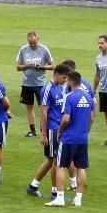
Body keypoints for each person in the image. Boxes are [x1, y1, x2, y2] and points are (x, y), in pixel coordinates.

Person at [44, 71, 95, 207]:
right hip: (83, 138)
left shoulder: (69, 97)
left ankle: (59, 198)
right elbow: (91, 118)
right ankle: (78, 199)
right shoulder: (88, 97)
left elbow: (66, 118)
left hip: (68, 138)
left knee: (60, 166)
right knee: (81, 167)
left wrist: (60, 131)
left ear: (71, 82)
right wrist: (85, 132)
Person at [26, 63, 70, 198]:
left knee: (52, 160)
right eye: (63, 78)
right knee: (55, 160)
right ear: (56, 75)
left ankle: (33, 186)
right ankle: (55, 192)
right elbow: (43, 112)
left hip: (58, 128)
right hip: (51, 129)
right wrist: (44, 134)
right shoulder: (47, 89)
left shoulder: (59, 88)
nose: (65, 80)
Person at [16, 31, 54, 137]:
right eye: (30, 43)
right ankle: (32, 130)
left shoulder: (44, 49)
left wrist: (41, 67)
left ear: (38, 39)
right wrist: (29, 65)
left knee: (43, 107)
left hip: (40, 84)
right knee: (29, 107)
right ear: (28, 40)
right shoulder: (23, 49)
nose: (32, 45)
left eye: (34, 42)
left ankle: (43, 129)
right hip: (27, 83)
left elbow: (52, 66)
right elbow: (18, 67)